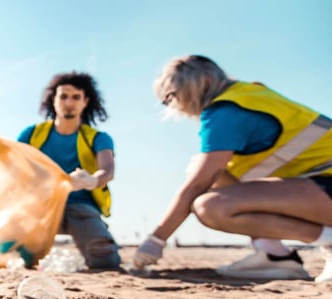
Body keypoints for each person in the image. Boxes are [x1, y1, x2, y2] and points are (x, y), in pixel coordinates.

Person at [134, 55, 332, 282]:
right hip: (318, 184)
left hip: (326, 185)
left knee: (210, 206)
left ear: (203, 83)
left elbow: (198, 184)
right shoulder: (250, 94)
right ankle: (273, 255)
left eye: (172, 95)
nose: (174, 104)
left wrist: (156, 240)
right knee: (214, 171)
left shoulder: (225, 111)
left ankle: (329, 240)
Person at [16, 72, 121, 270]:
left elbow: (107, 170)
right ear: (53, 100)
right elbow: (15, 164)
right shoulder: (31, 134)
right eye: (63, 96)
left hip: (80, 206)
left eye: (75, 97)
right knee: (17, 255)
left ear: (85, 101)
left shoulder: (98, 138)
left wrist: (91, 180)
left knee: (106, 260)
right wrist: (4, 154)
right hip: (40, 207)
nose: (69, 102)